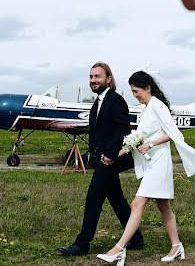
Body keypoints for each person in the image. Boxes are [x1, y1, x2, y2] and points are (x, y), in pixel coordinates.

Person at [97, 70, 195, 266]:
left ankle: (118, 250)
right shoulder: (146, 109)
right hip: (151, 164)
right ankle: (176, 246)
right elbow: (137, 139)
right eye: (132, 92)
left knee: (137, 203)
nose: (135, 95)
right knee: (164, 207)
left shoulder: (157, 106)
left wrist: (151, 144)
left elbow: (172, 133)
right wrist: (115, 155)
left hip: (159, 163)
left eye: (136, 91)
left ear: (148, 88)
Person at [57, 62, 144, 255]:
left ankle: (82, 244)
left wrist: (111, 155)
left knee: (93, 198)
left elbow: (123, 130)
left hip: (111, 160)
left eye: (97, 76)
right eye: (91, 77)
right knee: (117, 199)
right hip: (101, 160)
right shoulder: (98, 102)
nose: (93, 80)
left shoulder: (115, 100)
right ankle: (136, 238)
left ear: (108, 79)